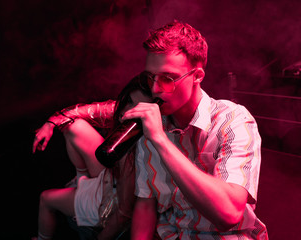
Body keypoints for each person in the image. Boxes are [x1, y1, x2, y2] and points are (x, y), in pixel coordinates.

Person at [117, 21, 268, 239]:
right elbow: (146, 203)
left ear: (197, 76)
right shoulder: (152, 124)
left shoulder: (233, 119)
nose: (155, 89)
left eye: (168, 78)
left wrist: (161, 140)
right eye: (150, 77)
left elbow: (229, 214)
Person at [33, 76, 153, 240]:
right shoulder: (125, 113)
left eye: (138, 107)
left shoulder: (136, 159)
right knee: (74, 126)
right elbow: (83, 111)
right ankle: (82, 179)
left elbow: (124, 214)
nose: (127, 111)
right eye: (129, 100)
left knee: (46, 199)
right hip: (110, 176)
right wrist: (50, 124)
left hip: (107, 204)